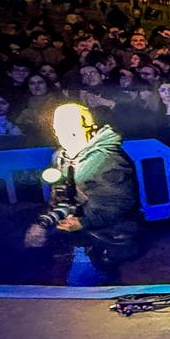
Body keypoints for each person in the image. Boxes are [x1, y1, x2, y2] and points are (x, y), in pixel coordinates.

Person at [24, 102, 142, 284]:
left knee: (79, 285)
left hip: (109, 235)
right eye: (58, 129)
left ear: (88, 128)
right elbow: (64, 199)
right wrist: (44, 223)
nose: (63, 135)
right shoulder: (63, 158)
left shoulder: (107, 159)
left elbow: (117, 206)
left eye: (71, 129)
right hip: (83, 231)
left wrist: (82, 222)